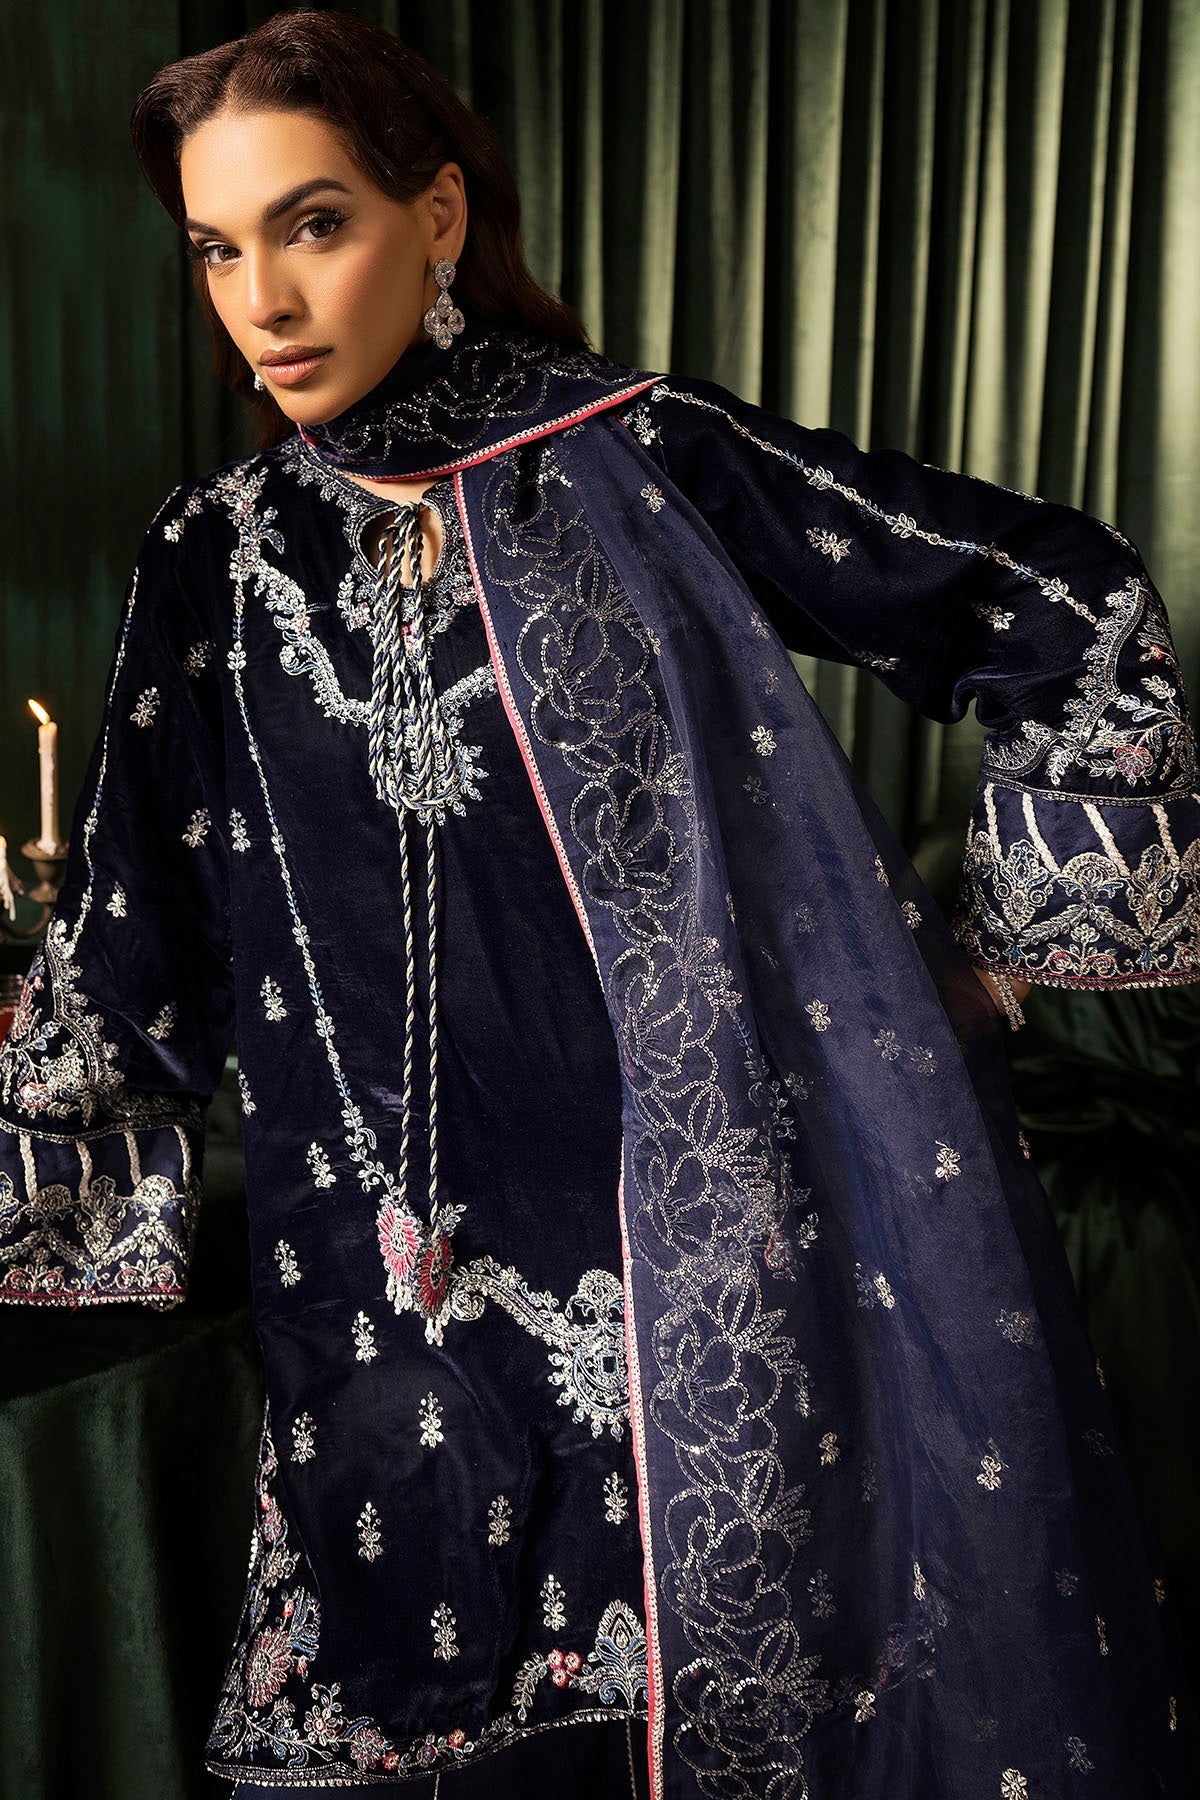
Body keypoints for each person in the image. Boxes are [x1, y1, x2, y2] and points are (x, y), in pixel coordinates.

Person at [1, 8, 1197, 1798]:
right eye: (218, 250)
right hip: (371, 1289)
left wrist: (986, 971)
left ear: (440, 218)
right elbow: (130, 918)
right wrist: (59, 1161)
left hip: (681, 1264)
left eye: (313, 225)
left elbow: (1061, 605)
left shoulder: (636, 457)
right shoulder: (213, 556)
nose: (264, 300)